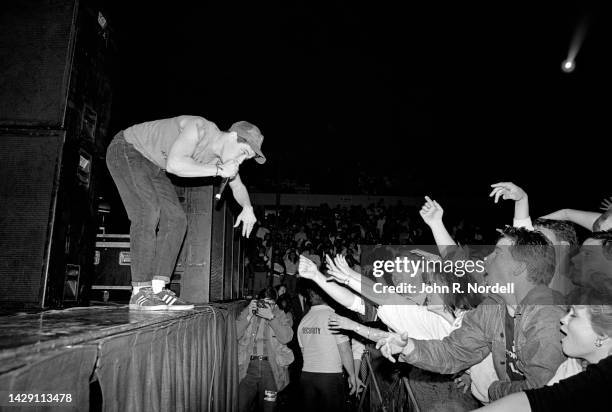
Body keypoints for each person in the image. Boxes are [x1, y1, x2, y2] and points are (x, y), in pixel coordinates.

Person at [376, 226, 567, 402]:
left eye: (497, 253)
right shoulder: (492, 307)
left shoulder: (547, 315)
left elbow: (540, 392)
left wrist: (494, 391)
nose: (486, 258)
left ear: (519, 266)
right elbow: (454, 352)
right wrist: (408, 347)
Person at [106, 115, 265, 310]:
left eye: (245, 159)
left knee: (177, 219)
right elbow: (175, 165)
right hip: (127, 149)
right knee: (147, 211)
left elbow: (238, 187)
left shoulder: (223, 157)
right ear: (232, 136)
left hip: (153, 165)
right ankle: (140, 291)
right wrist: (218, 169)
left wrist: (248, 208)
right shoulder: (199, 128)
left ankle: (158, 289)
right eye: (243, 152)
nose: (240, 161)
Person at [473, 303, 612, 412]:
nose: (563, 319)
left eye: (574, 315)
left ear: (603, 334)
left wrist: (492, 388)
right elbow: (539, 400)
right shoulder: (572, 365)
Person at [297, 283, 359, 411]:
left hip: (307, 378)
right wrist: (352, 375)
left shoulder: (303, 322)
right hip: (330, 377)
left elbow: (304, 352)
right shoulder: (334, 318)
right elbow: (344, 349)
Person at [236, 287, 294, 412]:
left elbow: (286, 337)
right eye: (265, 303)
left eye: (271, 304)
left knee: (269, 408)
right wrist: (248, 316)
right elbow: (234, 334)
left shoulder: (280, 314)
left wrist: (272, 318)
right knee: (240, 406)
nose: (268, 307)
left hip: (271, 369)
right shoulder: (249, 311)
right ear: (258, 301)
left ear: (275, 303)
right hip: (248, 367)